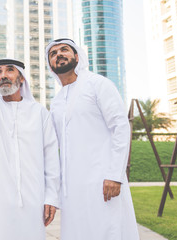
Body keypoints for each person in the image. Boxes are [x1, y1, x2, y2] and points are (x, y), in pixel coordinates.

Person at [0, 17, 60, 240]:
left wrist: (52, 196)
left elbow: (51, 157)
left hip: (33, 198)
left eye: (10, 70)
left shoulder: (39, 113)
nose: (3, 75)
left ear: (21, 79)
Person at [45, 38, 139, 240]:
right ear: (51, 65)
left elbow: (121, 127)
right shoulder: (57, 101)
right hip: (72, 189)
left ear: (77, 56)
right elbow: (53, 145)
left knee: (108, 231)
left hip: (103, 182)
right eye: (53, 53)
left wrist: (115, 174)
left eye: (64, 50)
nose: (59, 55)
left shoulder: (98, 84)